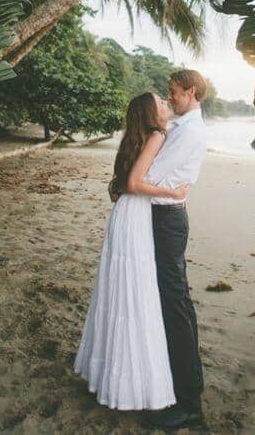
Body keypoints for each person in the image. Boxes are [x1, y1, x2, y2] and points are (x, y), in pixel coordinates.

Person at [74, 91, 188, 411]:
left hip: (125, 214)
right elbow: (136, 183)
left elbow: (121, 184)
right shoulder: (155, 135)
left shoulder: (134, 137)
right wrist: (173, 191)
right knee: (135, 293)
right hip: (135, 214)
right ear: (151, 113)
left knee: (120, 291)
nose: (166, 105)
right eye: (161, 103)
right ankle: (130, 381)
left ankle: (109, 373)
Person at [144, 69, 207, 431]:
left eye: (174, 93)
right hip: (161, 216)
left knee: (176, 304)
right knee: (171, 303)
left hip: (168, 221)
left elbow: (152, 177)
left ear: (192, 92)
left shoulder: (191, 131)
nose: (169, 98)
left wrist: (128, 181)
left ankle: (189, 403)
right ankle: (182, 388)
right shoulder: (182, 127)